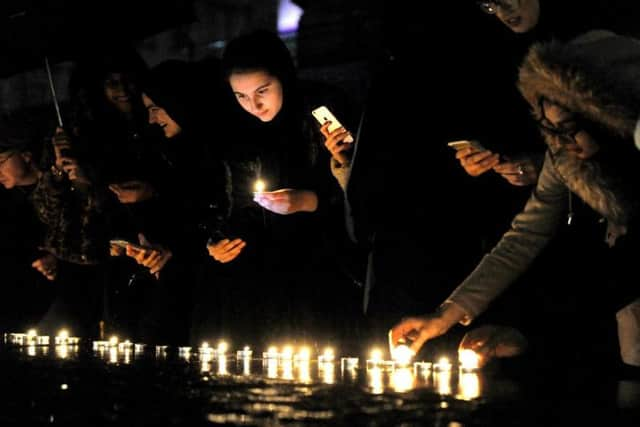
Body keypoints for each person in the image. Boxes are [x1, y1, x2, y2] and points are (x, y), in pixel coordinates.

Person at [390, 31, 640, 371]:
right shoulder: (565, 157)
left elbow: (625, 267)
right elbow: (526, 235)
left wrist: (529, 332)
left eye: (569, 128)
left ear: (610, 115)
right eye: (549, 129)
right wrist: (446, 313)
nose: (563, 143)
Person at [191, 29, 357, 347]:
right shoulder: (233, 130)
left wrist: (309, 201)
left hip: (320, 274)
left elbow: (360, 194)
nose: (253, 104)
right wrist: (215, 241)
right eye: (240, 96)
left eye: (262, 90)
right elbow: (224, 201)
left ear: (283, 76)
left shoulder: (323, 113)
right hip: (257, 279)